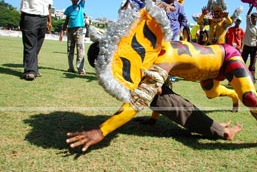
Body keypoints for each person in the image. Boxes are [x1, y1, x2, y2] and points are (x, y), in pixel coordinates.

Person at [66, 1, 257, 156]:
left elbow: (138, 101)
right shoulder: (147, 58)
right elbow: (161, 94)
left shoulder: (162, 57)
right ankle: (228, 101)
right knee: (212, 93)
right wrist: (153, 119)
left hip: (226, 57)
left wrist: (101, 131)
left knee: (249, 98)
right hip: (206, 74)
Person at [86, 42, 242, 141]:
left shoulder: (123, 60)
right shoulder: (122, 61)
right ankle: (219, 129)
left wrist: (102, 131)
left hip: (155, 88)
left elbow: (148, 93)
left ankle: (222, 131)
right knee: (182, 108)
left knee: (183, 109)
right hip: (153, 90)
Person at [16, 0, 53, 81]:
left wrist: (49, 21)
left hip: (43, 18)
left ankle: (33, 68)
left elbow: (49, 6)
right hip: (30, 16)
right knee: (30, 44)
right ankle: (29, 71)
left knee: (37, 44)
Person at [59, 0, 88, 75]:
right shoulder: (68, 9)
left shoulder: (80, 6)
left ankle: (81, 69)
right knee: (70, 49)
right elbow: (66, 20)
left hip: (79, 29)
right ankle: (71, 68)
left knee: (80, 49)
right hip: (70, 30)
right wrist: (62, 31)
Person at [241, 5, 257, 83]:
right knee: (242, 62)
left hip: (253, 48)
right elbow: (247, 14)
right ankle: (240, 76)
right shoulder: (248, 24)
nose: (253, 19)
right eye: (252, 17)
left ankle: (252, 78)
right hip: (246, 46)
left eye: (255, 18)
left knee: (252, 65)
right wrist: (252, 5)